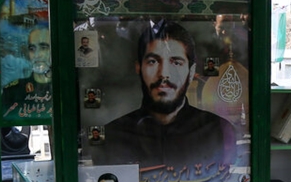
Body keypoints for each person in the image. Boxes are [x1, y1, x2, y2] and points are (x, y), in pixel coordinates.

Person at [94, 20, 237, 172]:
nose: (164, 74)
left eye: (176, 63)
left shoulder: (218, 131)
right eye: (153, 61)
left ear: (191, 72)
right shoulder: (113, 136)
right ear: (138, 68)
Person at [3, 24, 52, 119]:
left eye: (44, 48)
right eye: (32, 49)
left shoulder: (66, 88)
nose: (37, 55)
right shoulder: (12, 92)